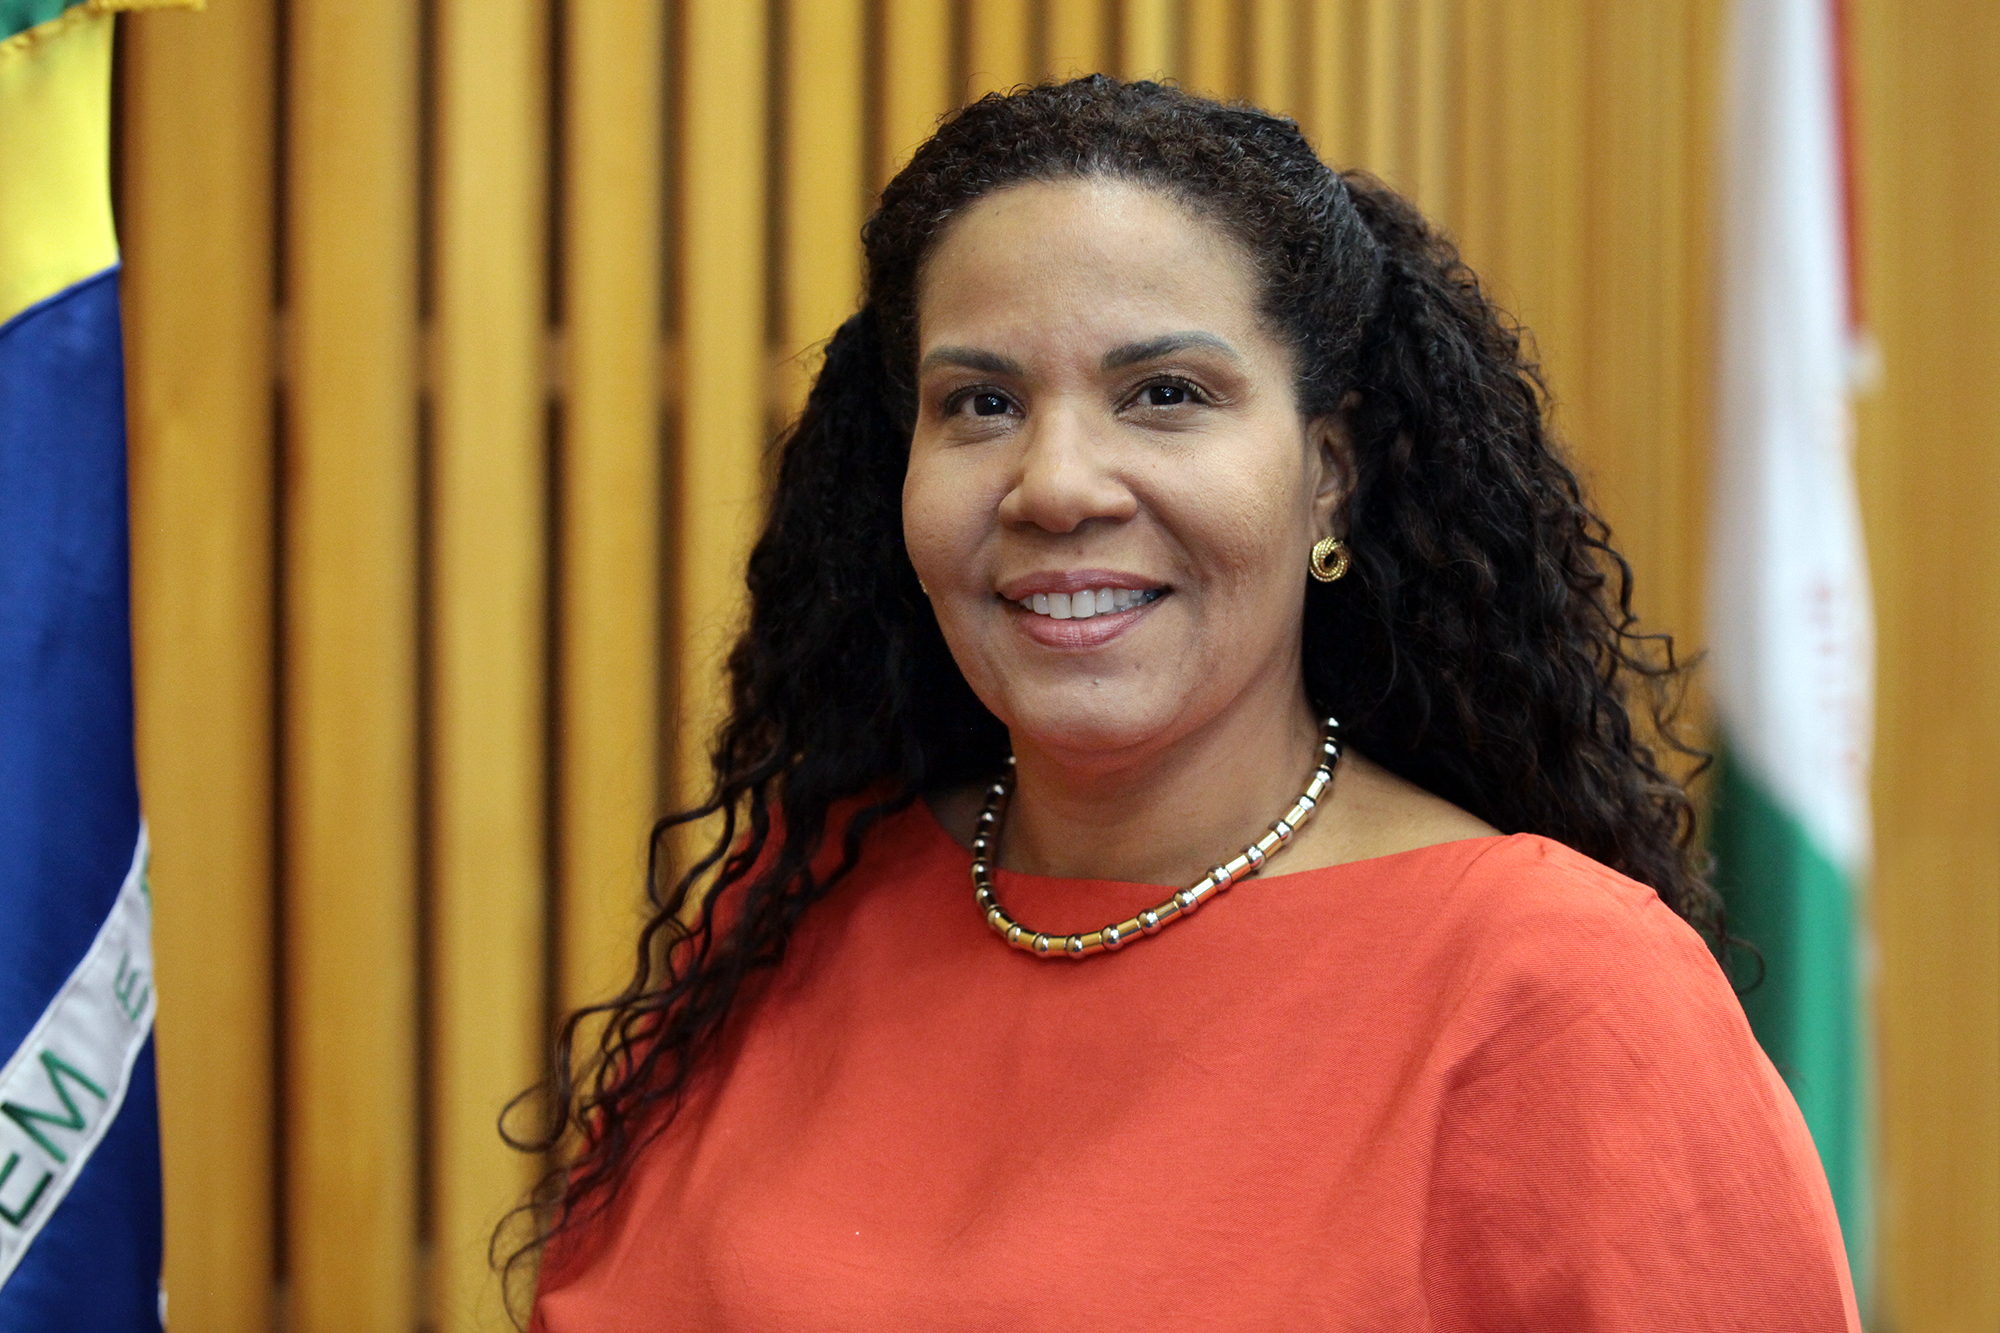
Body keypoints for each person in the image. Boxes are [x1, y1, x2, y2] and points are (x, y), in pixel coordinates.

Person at [517, 77, 1860, 1330]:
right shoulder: (806, 901)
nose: (1056, 484)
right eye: (980, 402)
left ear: (1328, 471)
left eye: (1165, 394)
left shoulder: (1556, 993)